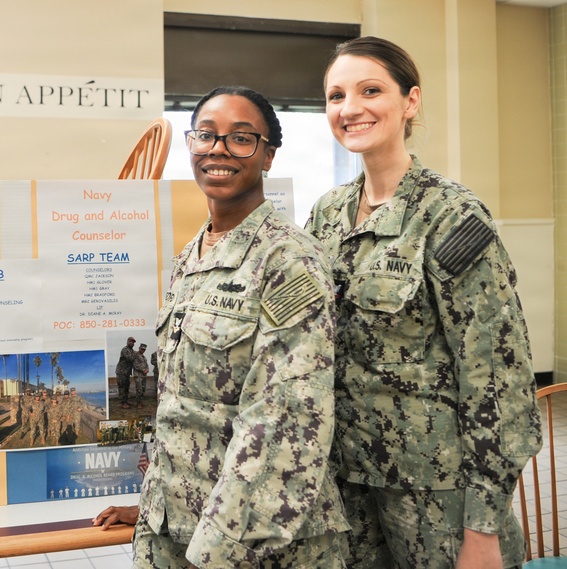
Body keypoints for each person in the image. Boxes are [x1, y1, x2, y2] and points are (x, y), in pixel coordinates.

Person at [306, 36, 542, 569]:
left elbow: (499, 378)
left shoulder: (450, 216)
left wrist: (482, 526)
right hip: (348, 486)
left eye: (370, 91)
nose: (350, 109)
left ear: (410, 101)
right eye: (335, 95)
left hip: (437, 494)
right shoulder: (327, 214)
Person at [116, 86, 348, 567]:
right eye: (206, 135)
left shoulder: (288, 259)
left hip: (250, 541)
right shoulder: (193, 254)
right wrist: (150, 503)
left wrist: (220, 547)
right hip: (173, 522)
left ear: (268, 155)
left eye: (241, 138)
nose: (218, 149)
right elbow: (183, 406)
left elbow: (287, 420)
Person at [115, 336, 137, 409]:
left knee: (126, 387)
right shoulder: (125, 350)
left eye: (133, 342)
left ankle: (126, 401)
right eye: (130, 341)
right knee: (122, 387)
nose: (131, 343)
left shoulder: (132, 351)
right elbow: (130, 358)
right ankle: (123, 403)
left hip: (127, 372)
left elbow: (133, 357)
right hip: (121, 372)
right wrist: (136, 354)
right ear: (127, 342)